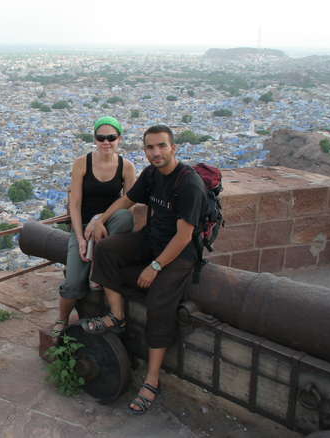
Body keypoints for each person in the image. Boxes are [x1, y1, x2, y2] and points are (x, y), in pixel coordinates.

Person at [83, 124, 207, 415]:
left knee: (159, 303)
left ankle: (152, 380)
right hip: (153, 239)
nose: (156, 152)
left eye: (161, 146)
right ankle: (116, 315)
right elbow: (128, 199)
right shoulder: (152, 175)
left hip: (179, 255)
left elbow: (184, 237)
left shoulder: (188, 184)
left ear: (173, 148)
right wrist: (102, 218)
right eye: (150, 147)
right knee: (107, 249)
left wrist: (155, 266)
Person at [52, 116, 136, 337]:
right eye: (101, 137)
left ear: (119, 139)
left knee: (126, 217)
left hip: (108, 225)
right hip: (83, 227)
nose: (106, 142)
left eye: (111, 137)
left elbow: (129, 202)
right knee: (72, 284)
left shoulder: (126, 167)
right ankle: (62, 319)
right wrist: (79, 237)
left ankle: (98, 261)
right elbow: (76, 203)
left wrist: (100, 218)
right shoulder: (82, 163)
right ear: (95, 139)